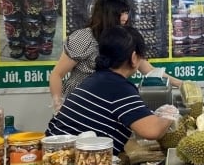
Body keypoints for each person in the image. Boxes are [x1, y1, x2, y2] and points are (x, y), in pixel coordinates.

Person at [46, 25, 180, 155]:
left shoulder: (97, 79)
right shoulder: (119, 87)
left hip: (53, 155)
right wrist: (169, 115)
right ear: (134, 58)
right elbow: (152, 131)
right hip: (71, 163)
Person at [49, 0, 182, 112]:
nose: (125, 17)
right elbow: (57, 74)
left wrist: (181, 84)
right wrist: (58, 105)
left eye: (126, 12)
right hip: (79, 104)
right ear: (108, 14)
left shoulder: (125, 38)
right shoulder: (83, 38)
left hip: (109, 104)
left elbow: (149, 70)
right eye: (121, 13)